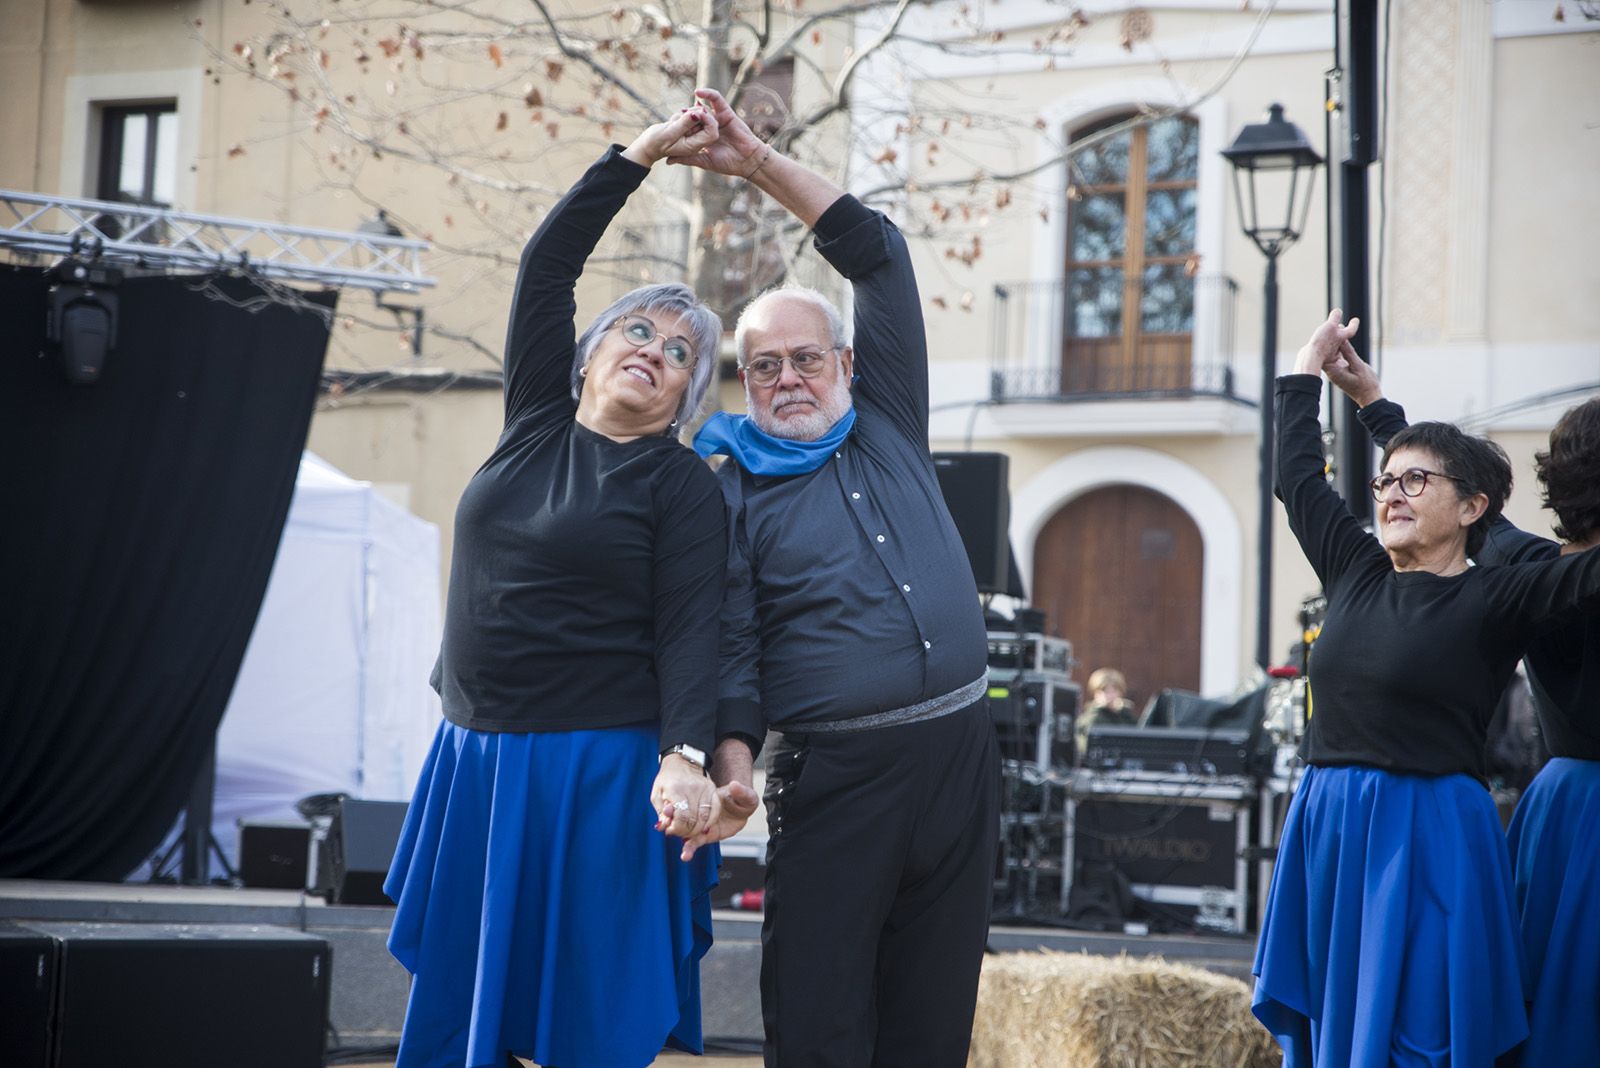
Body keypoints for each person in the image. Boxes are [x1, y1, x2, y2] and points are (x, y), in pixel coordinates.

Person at [382, 107, 758, 1068]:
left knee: (582, 1020)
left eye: (681, 354)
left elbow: (691, 629)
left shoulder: (679, 483)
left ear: (684, 397)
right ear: (589, 353)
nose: (655, 351)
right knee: (469, 1009)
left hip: (593, 766)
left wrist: (683, 753)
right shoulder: (533, 421)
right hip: (477, 751)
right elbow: (547, 266)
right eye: (638, 329)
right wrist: (637, 157)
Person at [674, 87, 1000, 1067]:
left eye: (803, 359)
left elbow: (877, 252)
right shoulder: (722, 491)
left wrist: (758, 165)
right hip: (836, 774)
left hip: (958, 756)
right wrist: (730, 772)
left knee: (930, 1019)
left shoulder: (889, 419)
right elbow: (727, 648)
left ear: (846, 364)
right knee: (819, 1017)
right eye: (762, 366)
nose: (785, 381)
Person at [1250, 311, 1600, 1067]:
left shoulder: (1502, 593)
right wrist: (1306, 377)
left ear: (1473, 508)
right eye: (1385, 480)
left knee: (1421, 1028)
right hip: (1330, 821)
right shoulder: (1355, 567)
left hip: (1430, 830)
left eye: (1415, 481)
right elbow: (1296, 479)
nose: (1391, 494)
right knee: (1336, 1025)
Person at [1076, 666, 1139, 754]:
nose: (1109, 695)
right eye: (1104, 690)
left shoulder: (1126, 716)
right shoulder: (1091, 718)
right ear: (1095, 693)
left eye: (1114, 691)